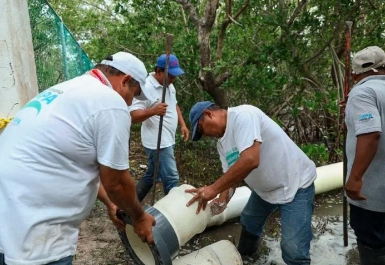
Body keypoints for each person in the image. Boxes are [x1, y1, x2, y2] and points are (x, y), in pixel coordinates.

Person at [0, 52, 156, 265]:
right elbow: (117, 182)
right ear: (125, 80)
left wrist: (110, 202)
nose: (132, 102)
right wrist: (140, 218)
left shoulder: (68, 90)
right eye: (135, 94)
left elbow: (67, 161)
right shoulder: (110, 102)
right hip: (33, 224)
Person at [185, 101, 317, 265]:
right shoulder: (222, 144)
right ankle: (247, 259)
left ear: (208, 114)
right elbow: (230, 178)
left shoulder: (243, 116)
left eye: (202, 129)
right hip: (265, 191)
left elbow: (250, 160)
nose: (205, 135)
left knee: (293, 250)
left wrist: (212, 188)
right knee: (249, 221)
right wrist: (221, 201)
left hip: (295, 183)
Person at [344, 45, 385, 264]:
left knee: (371, 240)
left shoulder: (362, 92)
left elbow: (370, 134)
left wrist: (355, 178)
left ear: (355, 73)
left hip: (372, 193)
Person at [130, 54, 189, 202]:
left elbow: (174, 104)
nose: (173, 79)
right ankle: (172, 214)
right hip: (158, 142)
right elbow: (132, 115)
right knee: (172, 178)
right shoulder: (146, 87)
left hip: (168, 138)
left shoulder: (169, 85)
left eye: (175, 76)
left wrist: (182, 124)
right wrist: (153, 111)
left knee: (152, 175)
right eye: (170, 75)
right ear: (158, 71)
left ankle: (129, 206)